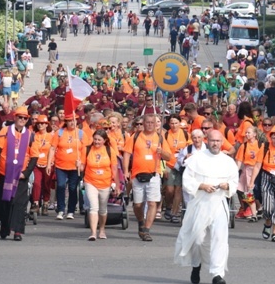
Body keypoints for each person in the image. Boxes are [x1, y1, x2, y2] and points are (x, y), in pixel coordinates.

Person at [174, 129, 238, 284]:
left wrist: (226, 185)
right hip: (200, 203)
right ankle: (196, 265)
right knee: (198, 239)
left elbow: (234, 183)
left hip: (219, 202)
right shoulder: (197, 159)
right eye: (212, 140)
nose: (215, 143)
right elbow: (187, 181)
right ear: (206, 141)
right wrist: (201, 186)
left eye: (218, 141)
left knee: (219, 238)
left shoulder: (228, 161)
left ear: (222, 142)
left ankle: (217, 274)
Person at [0, 106, 37, 241]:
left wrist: (26, 173)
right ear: (15, 117)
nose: (22, 120)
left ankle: (17, 231)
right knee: (6, 202)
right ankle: (5, 227)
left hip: (20, 175)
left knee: (19, 203)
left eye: (25, 118)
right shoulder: (5, 131)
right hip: (4, 173)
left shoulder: (30, 135)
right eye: (20, 117)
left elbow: (34, 157)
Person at [123, 113, 172, 242]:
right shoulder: (136, 136)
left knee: (152, 202)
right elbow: (127, 154)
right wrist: (125, 171)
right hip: (137, 174)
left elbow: (169, 157)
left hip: (154, 174)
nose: (150, 125)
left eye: (152, 123)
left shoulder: (160, 137)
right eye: (148, 122)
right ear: (143, 123)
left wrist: (162, 152)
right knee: (138, 204)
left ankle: (146, 229)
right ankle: (140, 221)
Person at [80, 129, 121, 241]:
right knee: (93, 207)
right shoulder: (87, 149)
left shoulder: (109, 150)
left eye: (99, 140)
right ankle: (93, 233)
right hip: (90, 181)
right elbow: (82, 167)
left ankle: (102, 229)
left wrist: (117, 185)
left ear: (104, 140)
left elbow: (115, 170)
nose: (96, 142)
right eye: (95, 139)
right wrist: (78, 165)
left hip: (105, 183)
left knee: (102, 209)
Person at [46, 113, 84, 220]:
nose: (72, 122)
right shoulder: (59, 133)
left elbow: (85, 149)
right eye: (70, 120)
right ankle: (61, 209)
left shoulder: (81, 133)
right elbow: (52, 148)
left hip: (75, 166)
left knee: (73, 188)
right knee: (61, 186)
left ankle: (71, 210)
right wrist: (49, 164)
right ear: (66, 122)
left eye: (74, 120)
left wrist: (82, 163)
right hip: (60, 165)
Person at [30, 114, 53, 216]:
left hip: (48, 163)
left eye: (42, 123)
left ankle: (46, 203)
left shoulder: (51, 136)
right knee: (36, 183)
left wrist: (50, 163)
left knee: (46, 184)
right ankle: (35, 204)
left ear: (46, 124)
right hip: (36, 163)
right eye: (38, 123)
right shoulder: (33, 135)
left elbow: (53, 150)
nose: (40, 125)